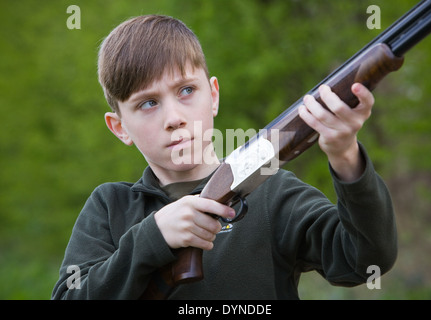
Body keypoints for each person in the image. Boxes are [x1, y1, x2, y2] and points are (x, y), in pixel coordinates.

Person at [51, 15, 397, 300]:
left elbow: (366, 262)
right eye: (148, 103)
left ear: (213, 95)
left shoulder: (273, 193)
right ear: (119, 127)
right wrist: (153, 237)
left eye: (187, 90)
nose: (174, 117)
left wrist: (345, 154)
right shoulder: (110, 207)